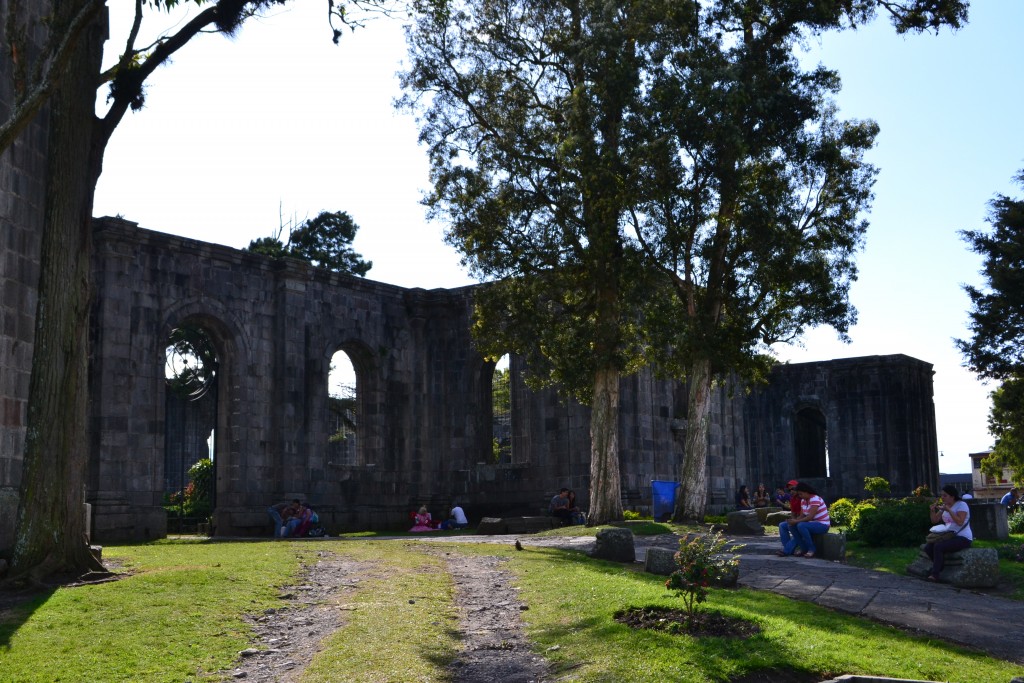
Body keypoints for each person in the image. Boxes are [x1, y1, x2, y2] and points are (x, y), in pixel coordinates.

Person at [924, 485, 973, 582]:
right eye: (941, 495)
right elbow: (934, 520)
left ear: (952, 496)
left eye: (945, 495)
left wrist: (949, 510)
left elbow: (960, 522)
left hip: (963, 537)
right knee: (928, 547)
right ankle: (940, 567)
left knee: (938, 546)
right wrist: (932, 511)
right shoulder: (945, 507)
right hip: (949, 535)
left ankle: (935, 574)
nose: (942, 497)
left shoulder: (961, 505)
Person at [777, 482, 830, 558]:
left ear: (806, 492)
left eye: (801, 494)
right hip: (810, 523)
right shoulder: (803, 501)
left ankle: (811, 549)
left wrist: (796, 521)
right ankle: (800, 548)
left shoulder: (815, 499)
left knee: (801, 525)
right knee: (786, 525)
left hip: (822, 525)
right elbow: (802, 515)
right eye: (799, 494)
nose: (800, 496)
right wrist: (792, 521)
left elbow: (810, 517)